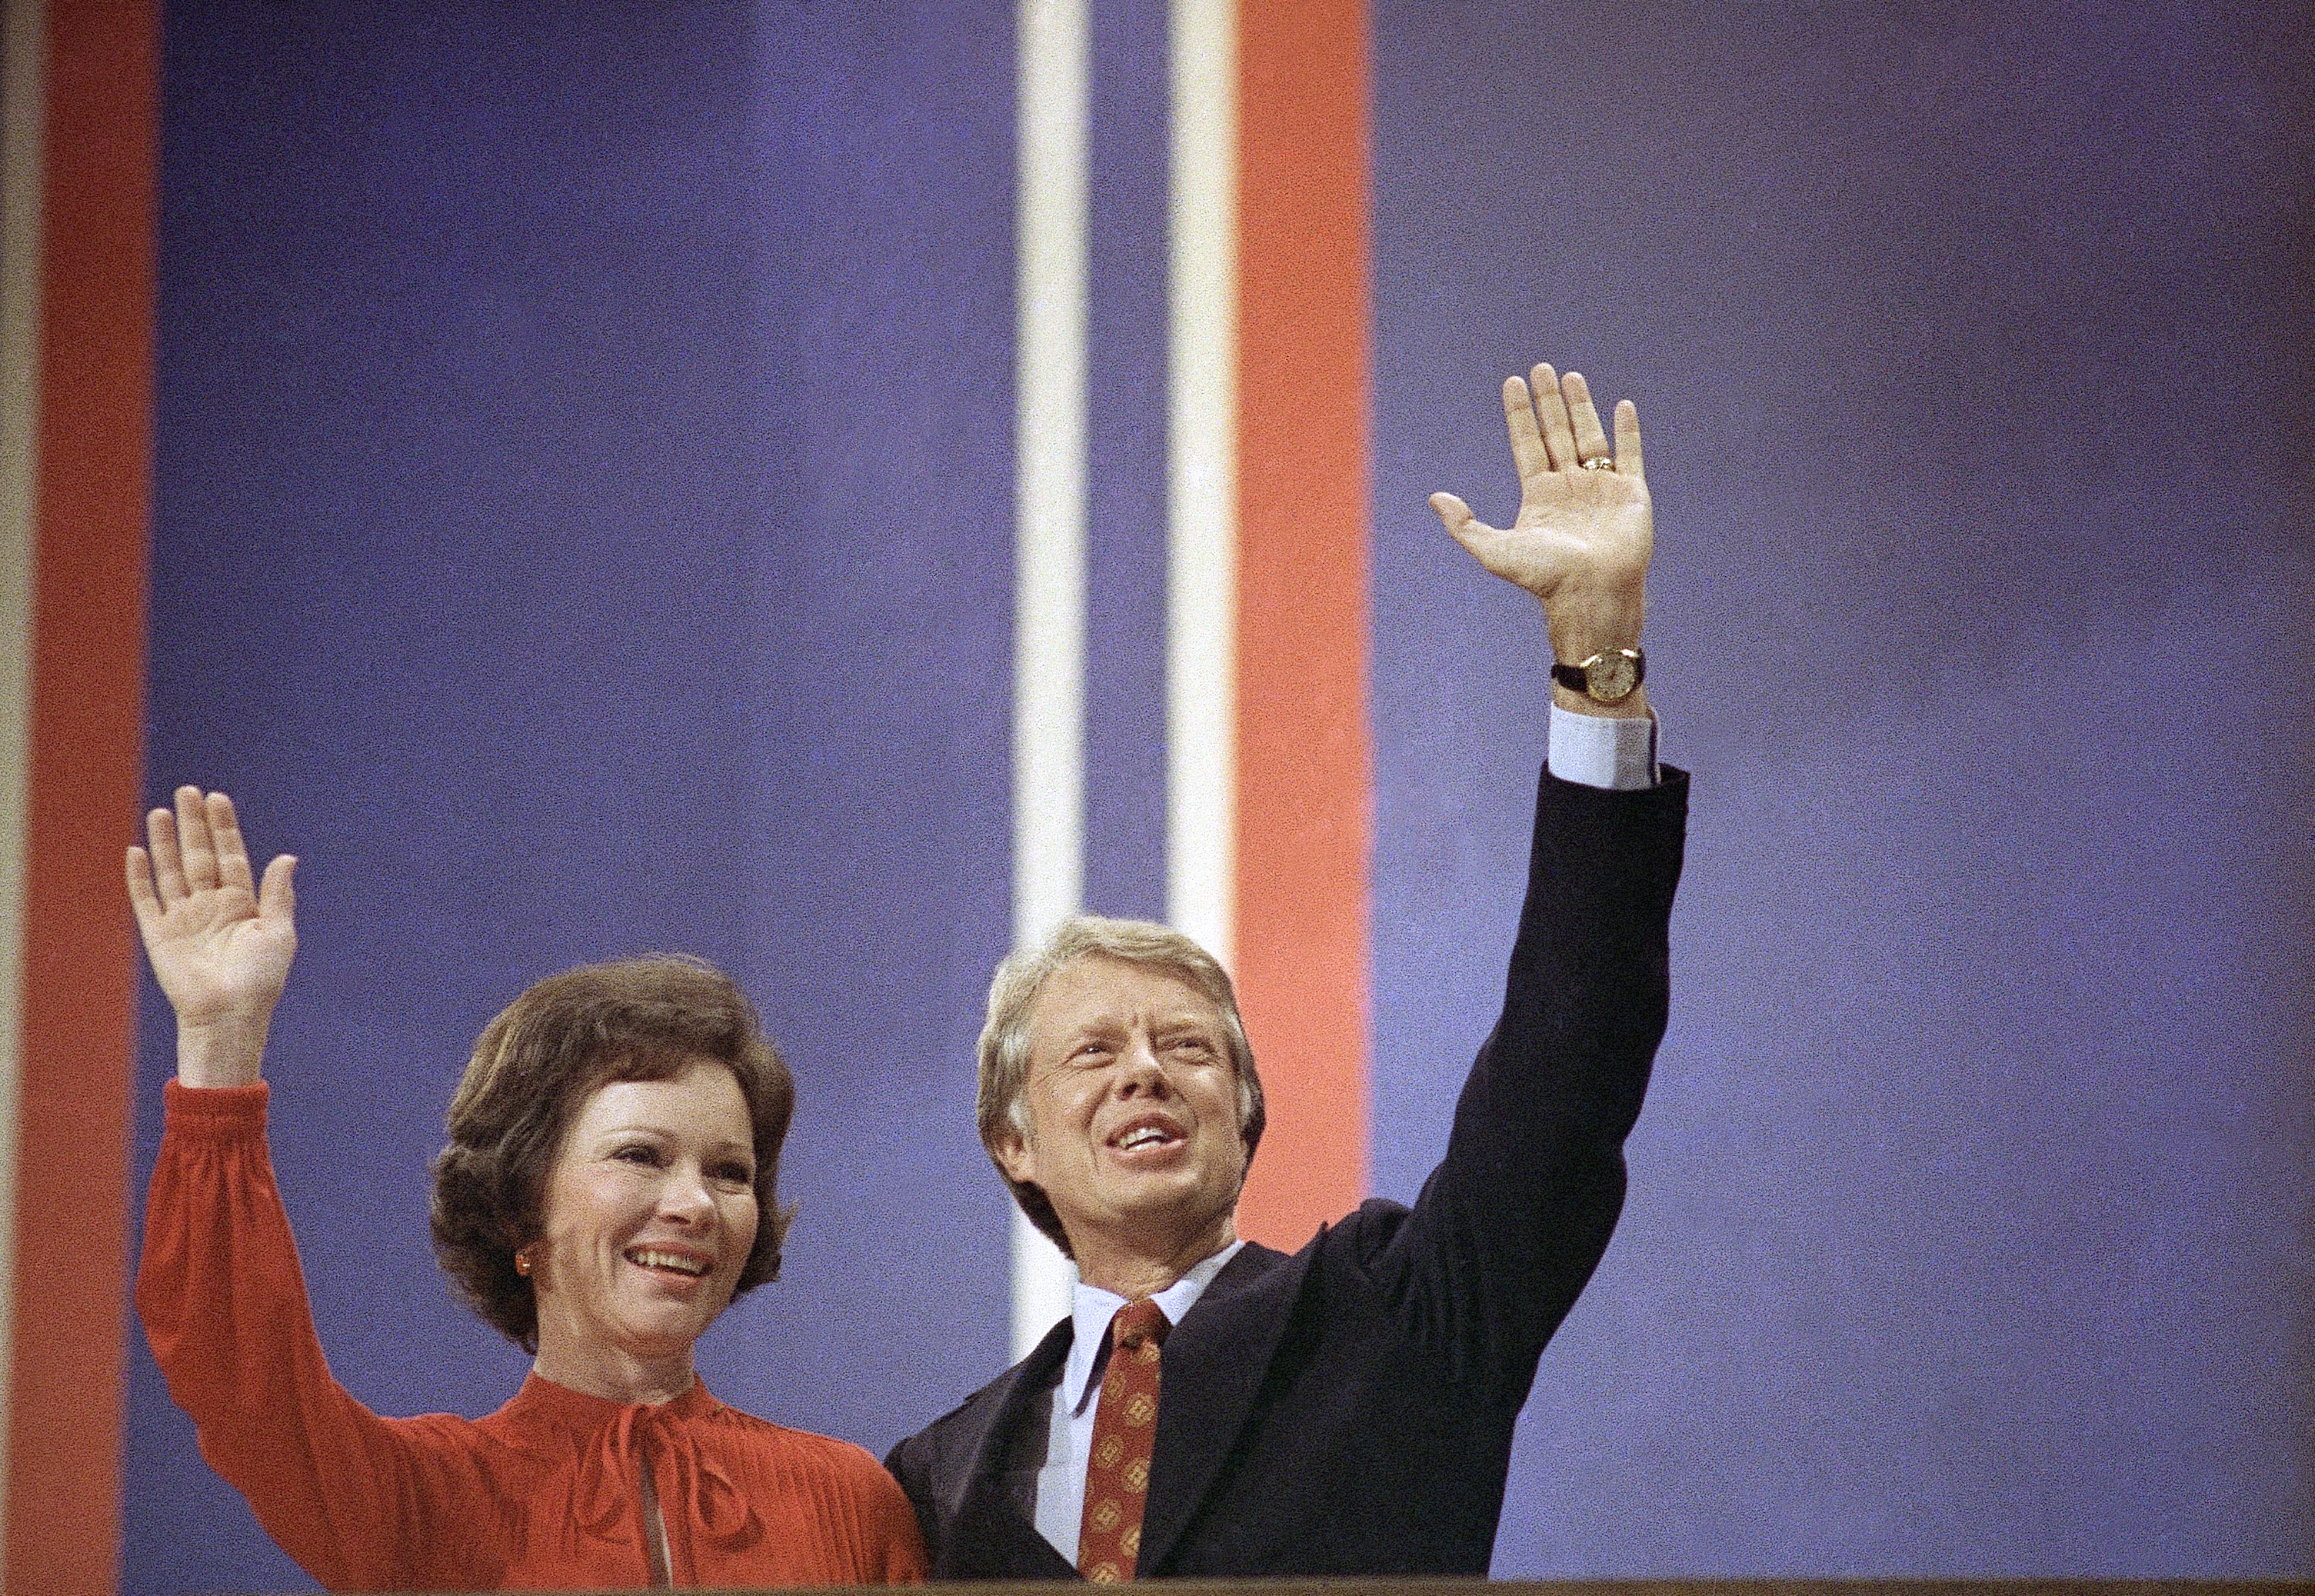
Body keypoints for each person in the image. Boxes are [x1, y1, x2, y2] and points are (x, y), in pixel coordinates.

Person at [885, 362, 1689, 1580]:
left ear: (1245, 1108)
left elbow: (1563, 1073)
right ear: (1013, 1139)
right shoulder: (930, 1478)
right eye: (1093, 1050)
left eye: (1189, 1045)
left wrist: (1596, 662)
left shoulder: (1396, 1315)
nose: (1144, 1070)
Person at [129, 792, 928, 1591]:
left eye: (730, 1171)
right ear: (521, 1203)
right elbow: (237, 1368)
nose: (695, 1204)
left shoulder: (850, 1500)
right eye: (642, 1155)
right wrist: (220, 1039)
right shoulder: (421, 1499)